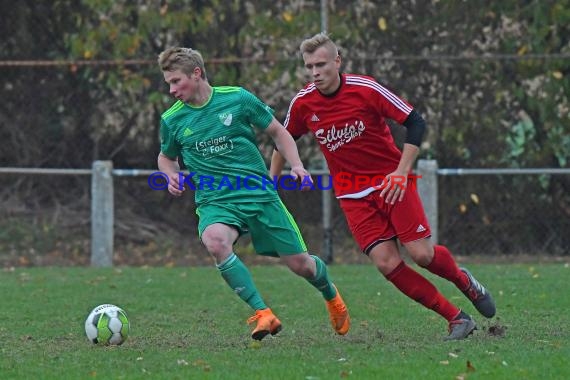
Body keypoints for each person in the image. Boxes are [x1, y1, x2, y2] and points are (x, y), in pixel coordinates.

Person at [270, 33, 496, 340]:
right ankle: (456, 319)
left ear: (337, 61)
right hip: (352, 194)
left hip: (391, 183)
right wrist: (272, 182)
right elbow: (283, 139)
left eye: (321, 64)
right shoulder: (303, 102)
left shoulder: (365, 89)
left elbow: (415, 122)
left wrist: (402, 173)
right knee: (387, 263)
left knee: (422, 255)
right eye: (309, 66)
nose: (315, 72)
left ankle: (463, 280)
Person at [156, 46, 350, 340]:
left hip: (259, 195)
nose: (171, 90)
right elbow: (166, 156)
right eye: (168, 83)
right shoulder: (173, 119)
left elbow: (278, 131)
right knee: (215, 242)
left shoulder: (237, 98)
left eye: (175, 81)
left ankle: (330, 293)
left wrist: (296, 165)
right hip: (216, 200)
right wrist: (170, 174)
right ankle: (263, 314)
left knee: (302, 265)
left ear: (196, 74)